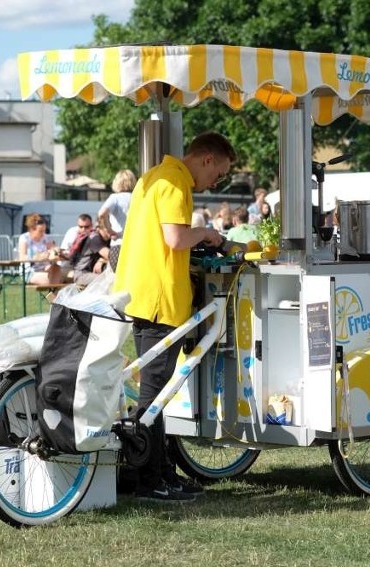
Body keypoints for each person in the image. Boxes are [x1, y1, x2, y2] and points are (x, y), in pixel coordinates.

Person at [113, 132, 234, 503]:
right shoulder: (176, 182)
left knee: (158, 391)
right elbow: (176, 239)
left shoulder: (154, 175)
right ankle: (148, 479)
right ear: (208, 158)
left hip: (142, 292)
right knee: (155, 392)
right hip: (158, 298)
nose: (217, 182)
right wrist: (209, 233)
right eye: (220, 174)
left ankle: (160, 471)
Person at [18, 213, 63, 284]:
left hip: (45, 268)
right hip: (30, 271)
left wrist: (56, 251)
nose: (43, 233)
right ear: (31, 229)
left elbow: (53, 249)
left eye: (44, 230)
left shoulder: (46, 238)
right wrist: (37, 257)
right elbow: (22, 257)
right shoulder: (24, 238)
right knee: (54, 280)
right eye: (41, 231)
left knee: (57, 269)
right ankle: (54, 292)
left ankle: (54, 292)